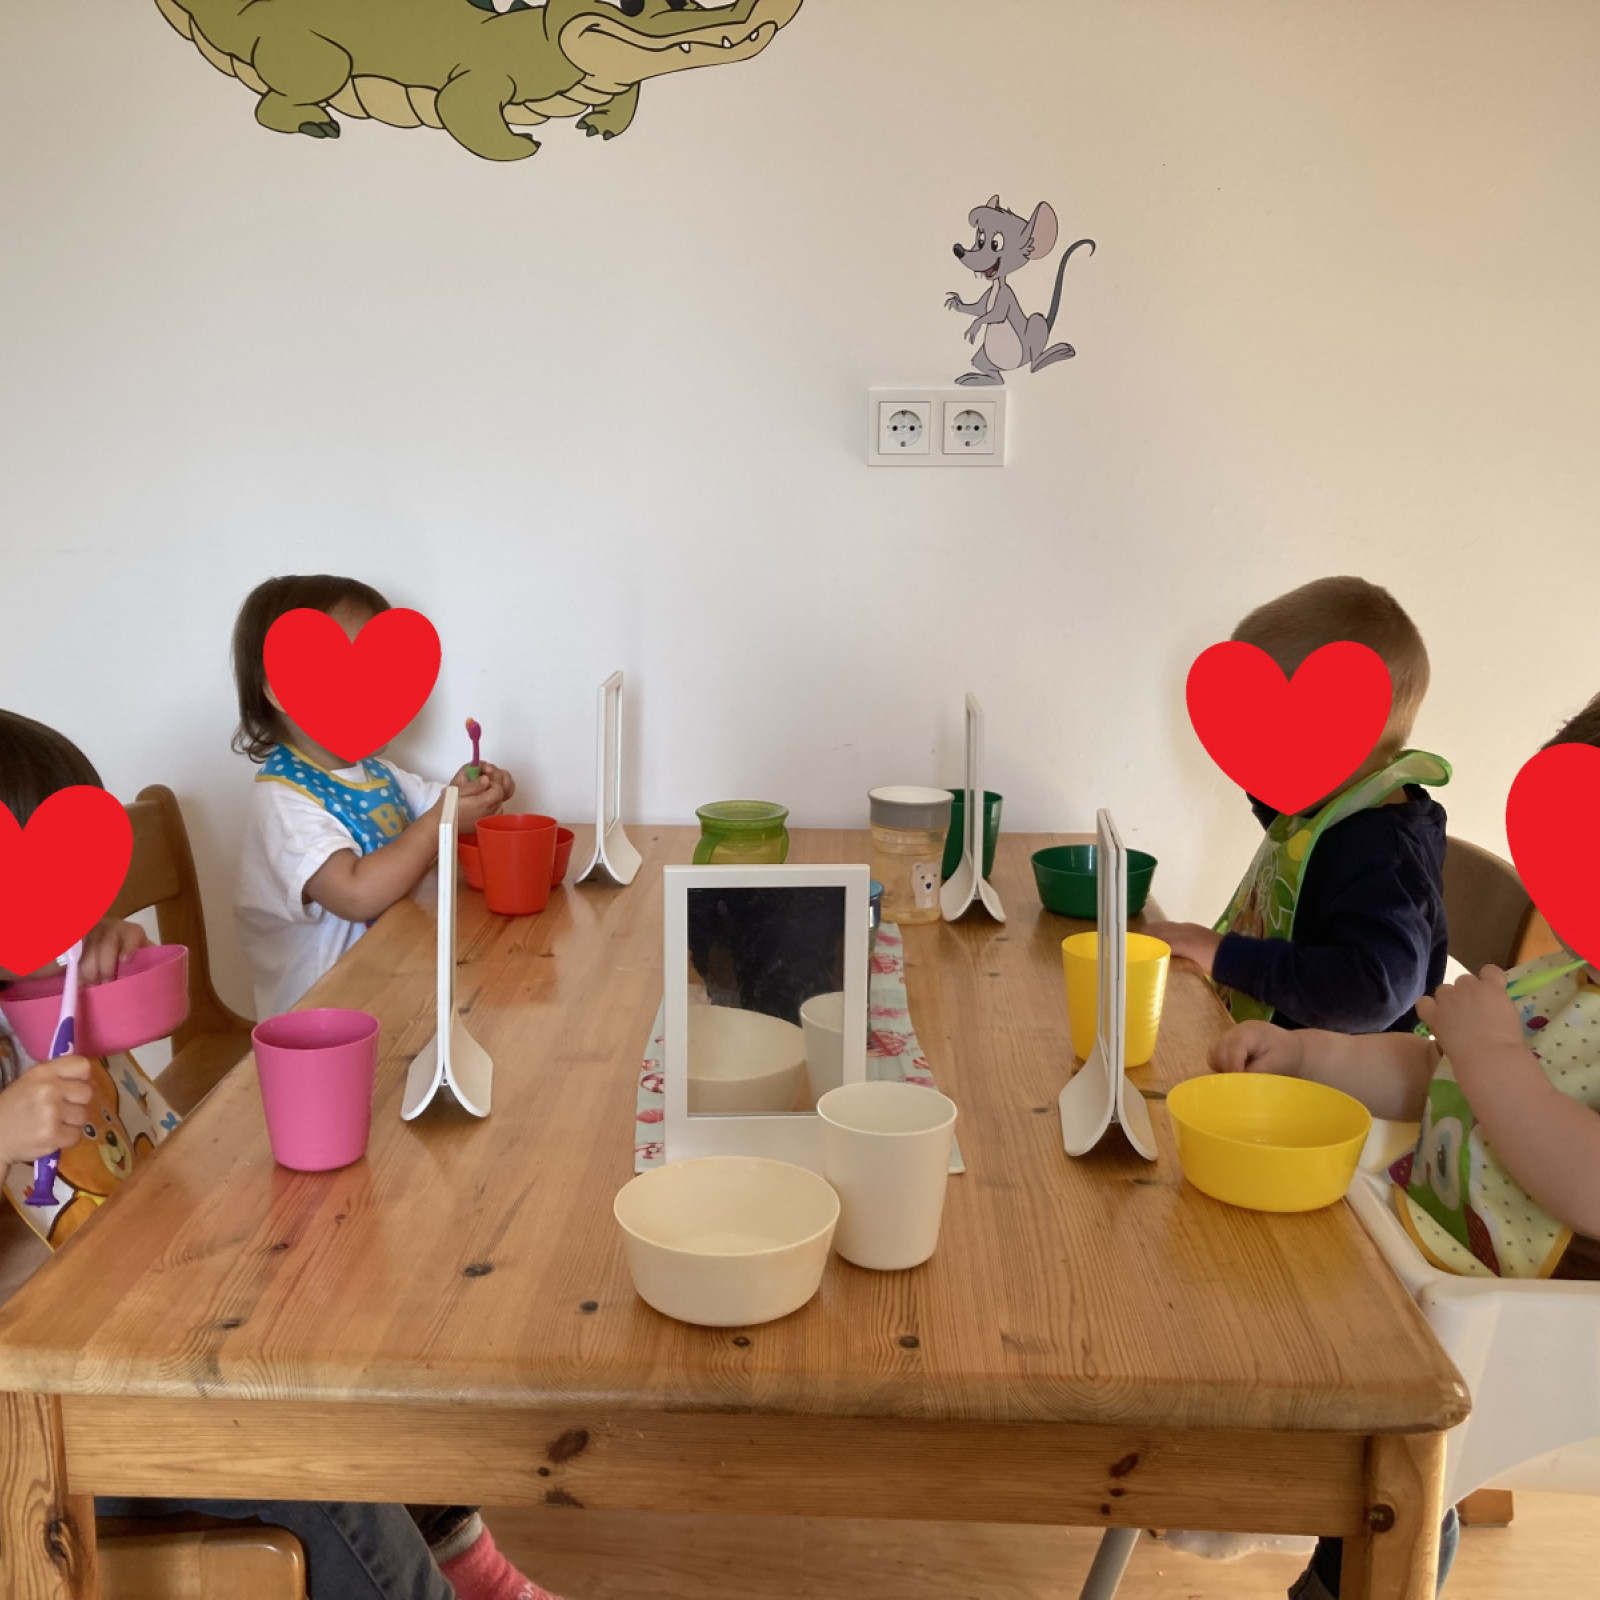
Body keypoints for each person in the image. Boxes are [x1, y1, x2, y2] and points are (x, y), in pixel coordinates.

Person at [0, 709, 560, 1600]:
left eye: (76, 880)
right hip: (39, 1418)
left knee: (335, 1342)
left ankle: (471, 1566)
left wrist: (105, 964)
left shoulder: (34, 986)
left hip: (132, 1323)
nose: (70, 909)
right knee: (297, 1443)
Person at [1211, 691, 1600, 1597]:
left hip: (1521, 1329)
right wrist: (1311, 1055)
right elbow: (1438, 1075)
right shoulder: (1571, 978)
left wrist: (1495, 1054)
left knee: (1401, 1484)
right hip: (1425, 1260)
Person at [1148, 576, 1450, 1034]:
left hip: (1332, 1076)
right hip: (1274, 1047)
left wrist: (1224, 954)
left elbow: (1373, 992)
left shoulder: (1383, 857)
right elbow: (1293, 839)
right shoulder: (1338, 808)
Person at [231, 575, 514, 1021]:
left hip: (394, 988)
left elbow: (443, 811)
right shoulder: (283, 802)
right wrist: (442, 818)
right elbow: (354, 894)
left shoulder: (378, 774)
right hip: (321, 1024)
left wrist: (474, 792)